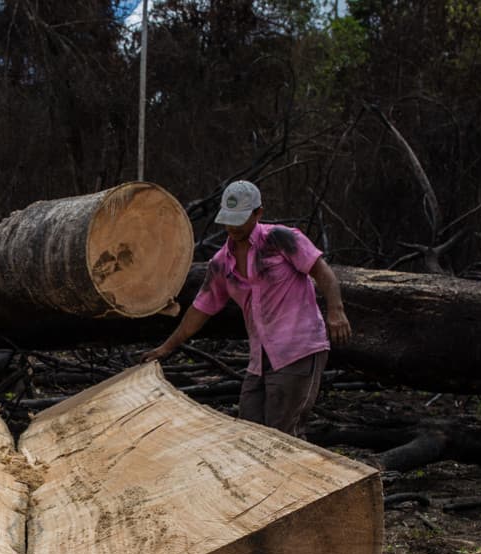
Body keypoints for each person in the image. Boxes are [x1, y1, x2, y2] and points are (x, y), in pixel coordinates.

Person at [142, 180, 351, 437]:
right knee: (249, 430)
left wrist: (336, 310)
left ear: (258, 213)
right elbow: (200, 309)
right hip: (260, 358)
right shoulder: (221, 262)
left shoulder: (280, 239)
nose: (233, 227)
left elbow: (322, 272)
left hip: (298, 348)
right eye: (228, 220)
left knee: (285, 434)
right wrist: (167, 347)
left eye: (240, 219)